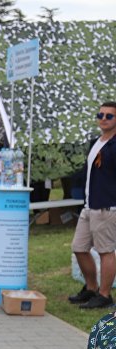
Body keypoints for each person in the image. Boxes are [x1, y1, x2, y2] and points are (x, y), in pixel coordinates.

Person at [69, 101, 116, 309]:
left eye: (109, 116)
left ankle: (105, 295)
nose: (103, 119)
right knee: (79, 247)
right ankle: (90, 288)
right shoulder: (96, 141)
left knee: (106, 251)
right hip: (89, 205)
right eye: (100, 115)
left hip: (106, 206)